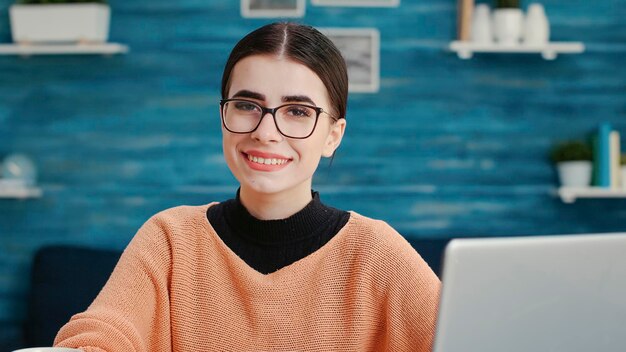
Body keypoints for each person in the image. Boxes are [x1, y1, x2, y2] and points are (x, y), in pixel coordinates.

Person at [54, 22, 440, 351]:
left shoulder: (376, 252)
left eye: (297, 112)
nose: (265, 132)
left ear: (332, 136)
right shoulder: (170, 240)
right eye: (246, 105)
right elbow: (103, 334)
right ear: (223, 115)